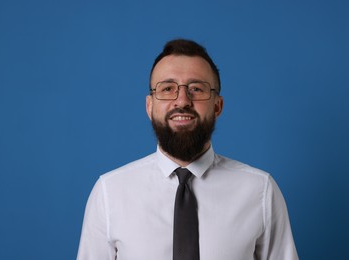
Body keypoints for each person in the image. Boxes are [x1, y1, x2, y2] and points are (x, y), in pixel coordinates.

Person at [77, 39, 298, 260]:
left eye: (196, 89)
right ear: (149, 106)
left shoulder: (260, 191)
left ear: (217, 106)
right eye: (167, 88)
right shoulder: (110, 193)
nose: (182, 100)